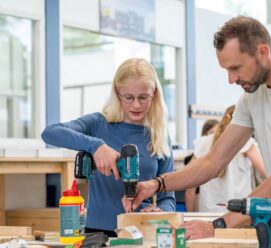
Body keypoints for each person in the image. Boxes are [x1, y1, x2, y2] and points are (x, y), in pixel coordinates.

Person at [124, 16, 271, 241]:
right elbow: (213, 162)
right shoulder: (252, 98)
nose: (231, 79)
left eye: (235, 68)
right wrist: (156, 184)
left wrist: (217, 225)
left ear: (262, 52)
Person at [42, 58, 176, 237]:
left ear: (155, 94)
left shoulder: (159, 136)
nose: (136, 105)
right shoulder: (98, 124)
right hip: (96, 233)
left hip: (140, 233)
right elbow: (50, 133)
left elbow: (167, 196)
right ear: (117, 93)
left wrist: (160, 212)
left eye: (143, 97)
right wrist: (96, 145)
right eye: (129, 97)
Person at [186, 105, 267, 212]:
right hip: (237, 214)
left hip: (207, 212)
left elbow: (189, 188)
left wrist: (190, 217)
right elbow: (267, 174)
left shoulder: (203, 143)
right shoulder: (246, 142)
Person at [185, 119, 219, 212]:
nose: (214, 137)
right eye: (212, 133)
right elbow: (190, 191)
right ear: (204, 136)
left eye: (217, 133)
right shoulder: (197, 158)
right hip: (205, 206)